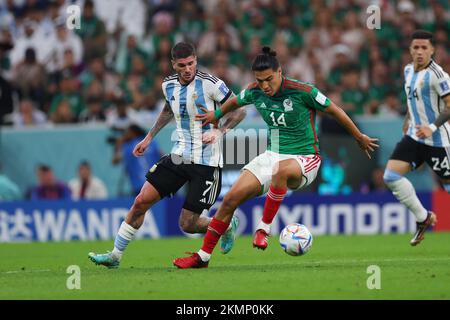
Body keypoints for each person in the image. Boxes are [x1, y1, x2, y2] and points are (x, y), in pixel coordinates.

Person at [173, 46, 378, 268]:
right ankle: (203, 257)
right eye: (260, 80)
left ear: (280, 72)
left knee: (281, 169)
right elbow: (236, 101)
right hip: (272, 155)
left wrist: (358, 136)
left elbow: (335, 110)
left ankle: (263, 228)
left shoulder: (303, 91)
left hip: (305, 158)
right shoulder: (255, 91)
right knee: (230, 199)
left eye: (269, 79)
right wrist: (217, 114)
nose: (265, 85)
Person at [88, 42, 246, 268]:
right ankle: (115, 256)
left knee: (188, 224)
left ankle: (225, 225)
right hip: (179, 155)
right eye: (182, 65)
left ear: (196, 61)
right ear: (173, 65)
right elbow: (168, 110)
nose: (188, 69)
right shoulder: (168, 85)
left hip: (207, 162)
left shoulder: (211, 84)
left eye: (191, 63)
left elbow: (240, 110)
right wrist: (149, 137)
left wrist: (219, 132)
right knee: (141, 201)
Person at [383, 30, 450, 246]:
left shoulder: (438, 75)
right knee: (391, 176)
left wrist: (432, 127)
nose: (420, 52)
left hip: (438, 140)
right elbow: (414, 100)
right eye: (416, 48)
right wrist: (407, 119)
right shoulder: (408, 70)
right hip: (414, 137)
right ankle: (423, 218)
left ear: (432, 50)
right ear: (410, 50)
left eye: (424, 48)